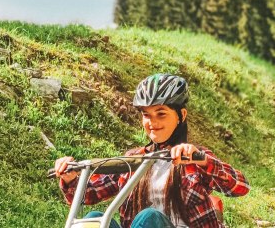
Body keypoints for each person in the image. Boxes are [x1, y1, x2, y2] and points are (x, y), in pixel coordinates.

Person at [54, 73, 249, 228]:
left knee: (149, 218)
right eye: (146, 115)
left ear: (181, 115)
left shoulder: (193, 158)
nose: (152, 122)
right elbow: (88, 195)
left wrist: (203, 161)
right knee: (94, 219)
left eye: (161, 114)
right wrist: (71, 178)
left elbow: (240, 186)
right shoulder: (134, 160)